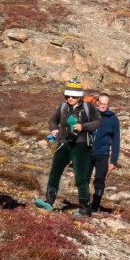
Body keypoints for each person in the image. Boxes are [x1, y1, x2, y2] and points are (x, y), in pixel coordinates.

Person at [34, 80, 101, 216]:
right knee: (55, 172)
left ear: (79, 97)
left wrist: (83, 127)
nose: (70, 99)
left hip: (82, 146)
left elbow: (98, 122)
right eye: (67, 96)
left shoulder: (89, 107)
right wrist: (53, 130)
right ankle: (49, 201)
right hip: (63, 144)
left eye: (73, 97)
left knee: (80, 178)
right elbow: (53, 120)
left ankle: (84, 208)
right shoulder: (62, 107)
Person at [88, 93, 120, 213]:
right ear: (97, 103)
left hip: (103, 153)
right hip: (87, 151)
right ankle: (85, 203)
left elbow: (116, 140)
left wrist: (113, 161)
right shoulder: (90, 115)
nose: (103, 106)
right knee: (84, 178)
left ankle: (95, 206)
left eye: (105, 104)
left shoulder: (113, 120)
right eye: (101, 104)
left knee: (99, 180)